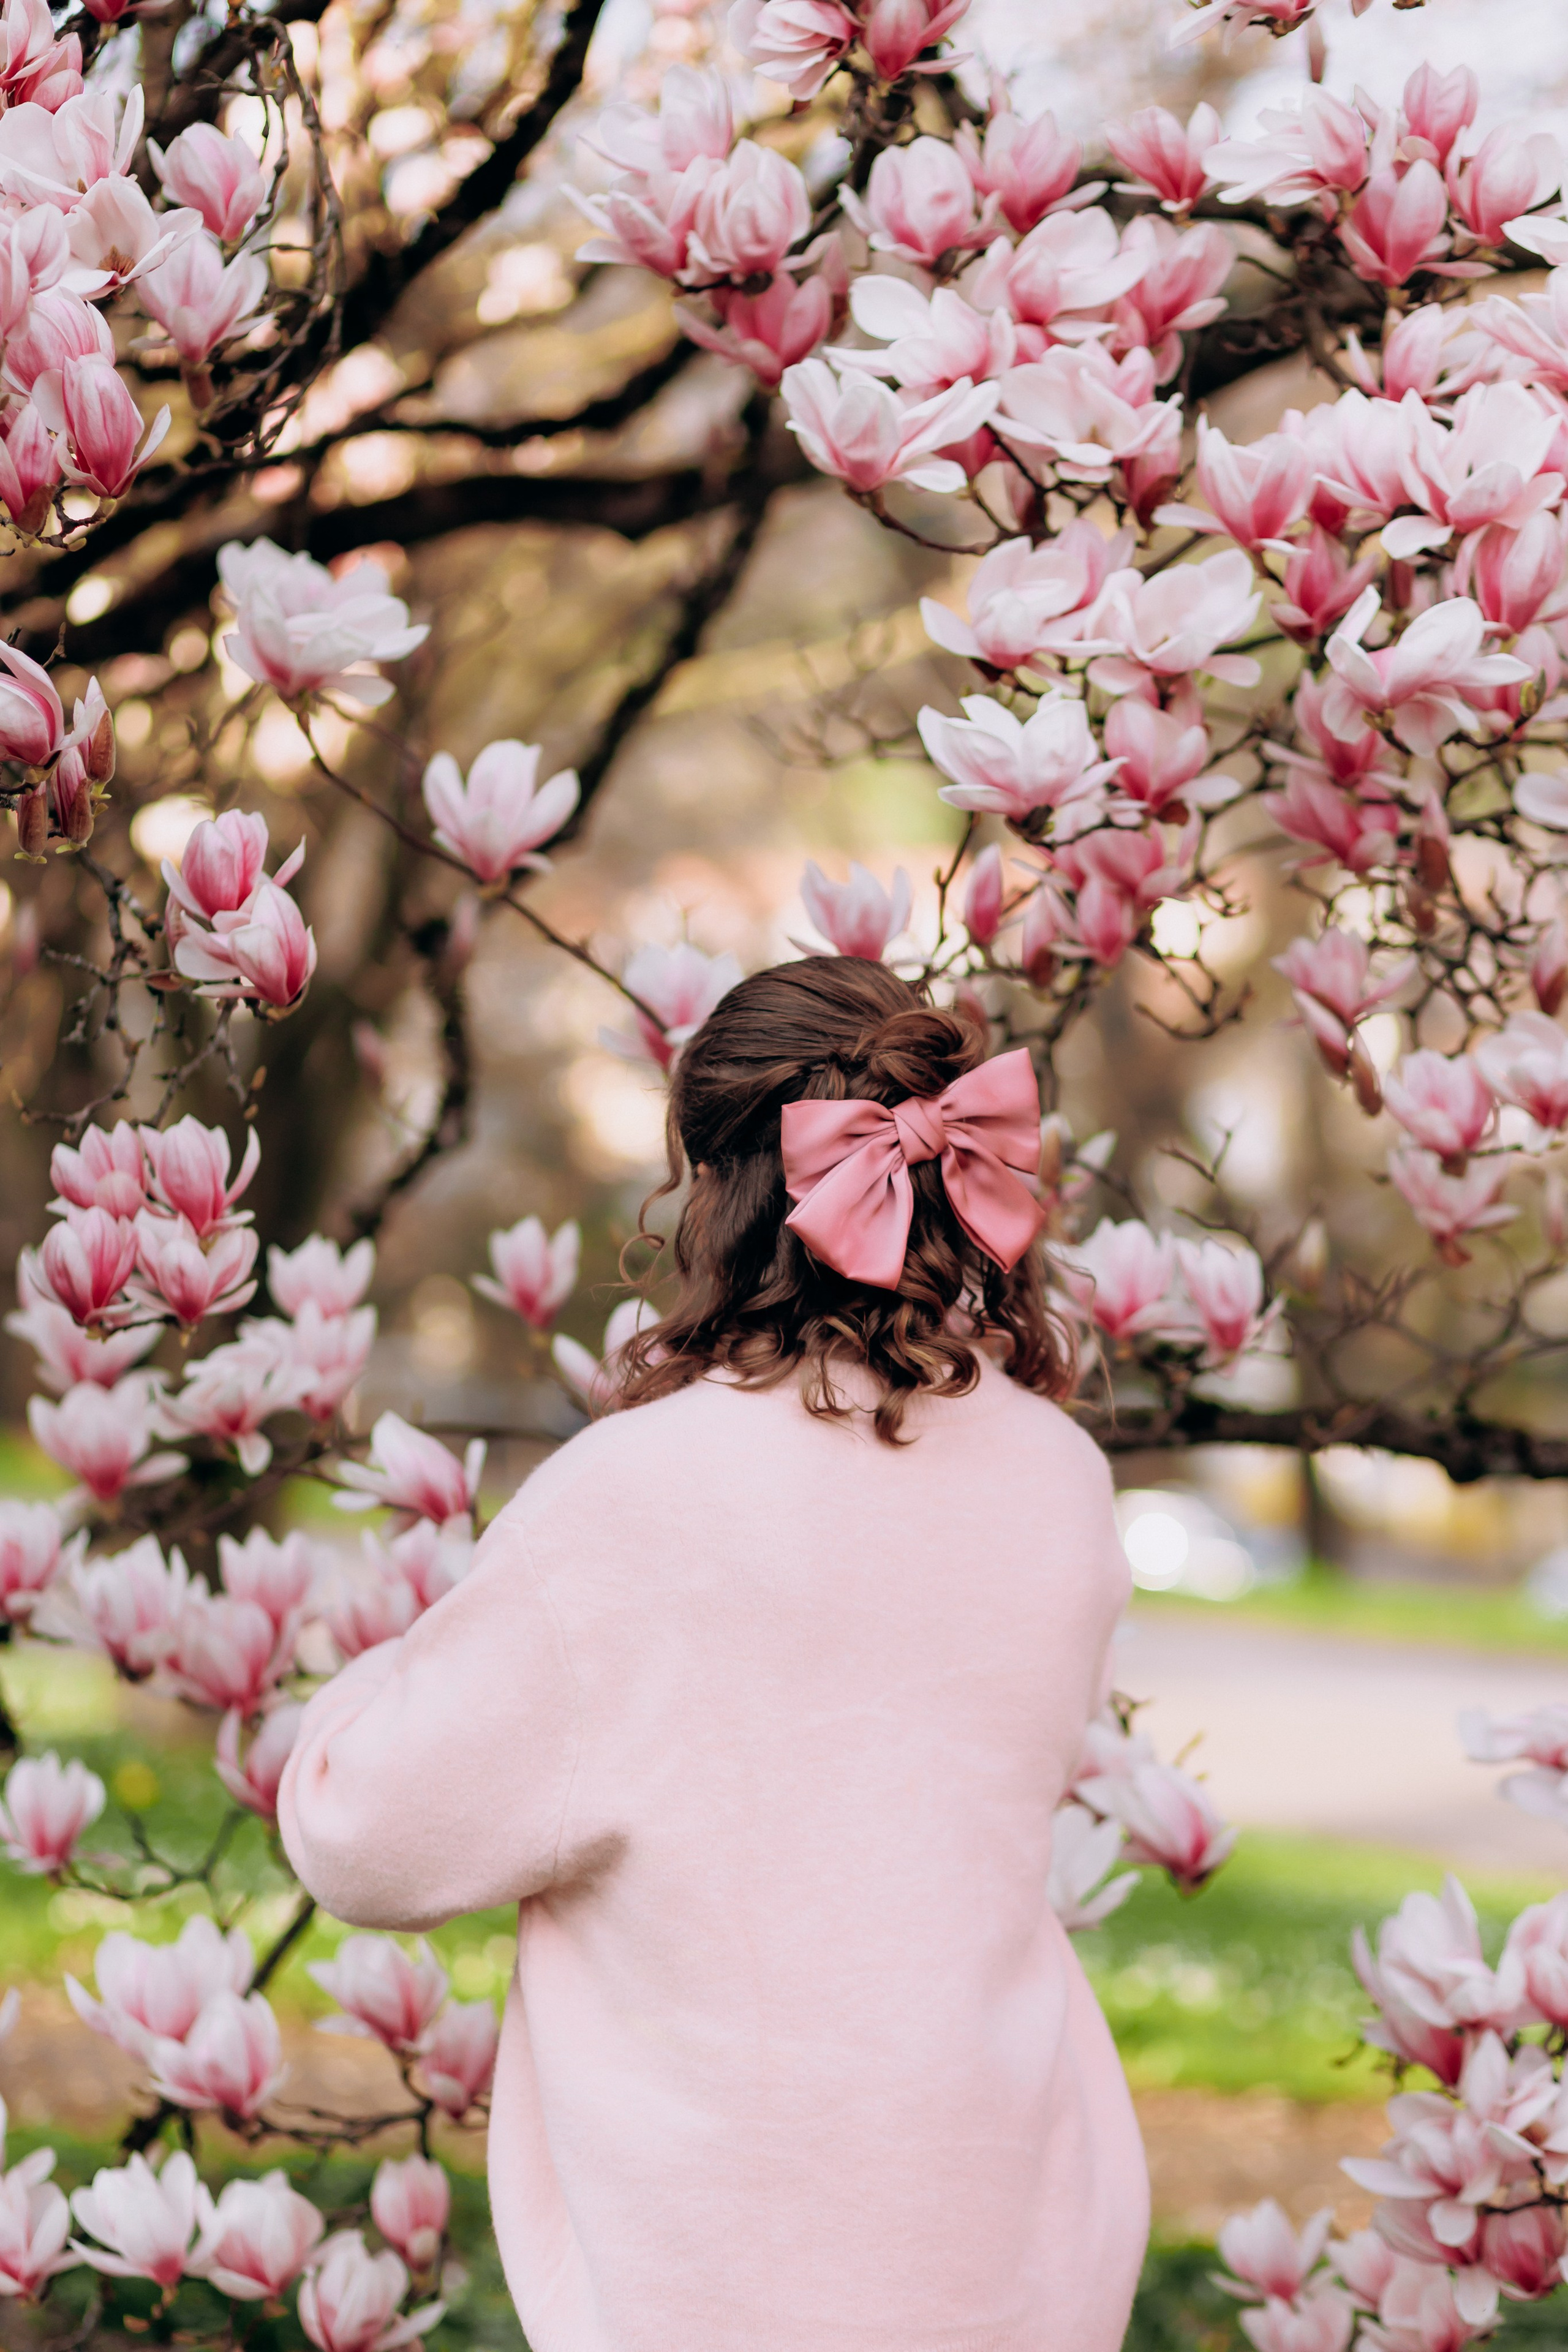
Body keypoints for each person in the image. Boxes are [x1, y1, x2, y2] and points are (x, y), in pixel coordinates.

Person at [279, 954, 1148, 2352]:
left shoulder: (638, 1496)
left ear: (717, 1196)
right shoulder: (1058, 1476)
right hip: (1017, 2243)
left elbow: (366, 1834)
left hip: (734, 2270)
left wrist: (391, 1669)